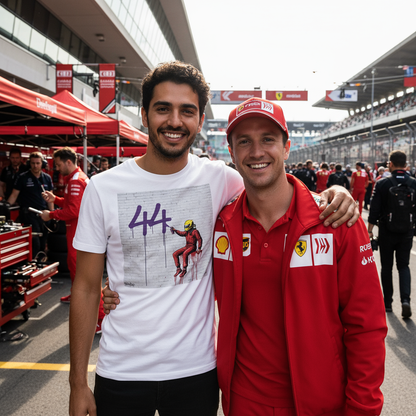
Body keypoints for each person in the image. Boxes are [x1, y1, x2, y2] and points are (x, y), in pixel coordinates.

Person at [73, 61, 359, 416]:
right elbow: (85, 288)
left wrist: (332, 193)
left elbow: (275, 187)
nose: (175, 121)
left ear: (200, 120)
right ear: (144, 115)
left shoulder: (222, 179)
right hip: (121, 370)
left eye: (186, 111)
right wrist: (77, 384)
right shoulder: (102, 188)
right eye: (163, 108)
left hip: (196, 372)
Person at [213, 98, 386, 416]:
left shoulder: (337, 220)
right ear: (232, 152)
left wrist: (363, 408)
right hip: (242, 401)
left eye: (268, 139)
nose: (256, 152)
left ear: (287, 147)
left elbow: (366, 326)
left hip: (322, 403)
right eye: (244, 142)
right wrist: (117, 290)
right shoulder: (219, 222)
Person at [39, 148, 105, 331]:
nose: (57, 168)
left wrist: (50, 214)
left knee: (87, 277)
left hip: (80, 234)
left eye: (59, 164)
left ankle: (101, 320)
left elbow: (74, 211)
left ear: (69, 162)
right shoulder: (77, 178)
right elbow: (74, 203)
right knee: (75, 268)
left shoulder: (76, 180)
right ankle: (76, 295)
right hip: (78, 233)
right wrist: (56, 199)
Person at [368, 150, 415, 319]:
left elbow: (374, 209)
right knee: (404, 266)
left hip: (387, 232)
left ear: (391, 164)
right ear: (406, 164)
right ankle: (405, 300)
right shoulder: (413, 183)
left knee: (386, 267)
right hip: (407, 232)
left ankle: (387, 303)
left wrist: (370, 230)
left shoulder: (382, 183)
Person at [7, 151, 54, 257]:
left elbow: (51, 199)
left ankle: (40, 264)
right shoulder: (22, 177)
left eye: (38, 163)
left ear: (42, 163)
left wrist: (52, 215)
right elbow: (14, 195)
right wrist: (5, 207)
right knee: (35, 244)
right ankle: (33, 264)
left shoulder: (47, 178)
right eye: (33, 163)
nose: (35, 166)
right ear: (29, 163)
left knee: (43, 244)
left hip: (44, 215)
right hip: (29, 215)